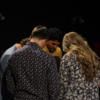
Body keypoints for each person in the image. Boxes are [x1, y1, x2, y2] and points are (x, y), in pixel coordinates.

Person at [2, 25, 60, 100]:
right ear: (44, 41)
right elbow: (54, 89)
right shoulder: (49, 59)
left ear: (30, 38)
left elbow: (9, 85)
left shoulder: (14, 56)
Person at [59, 31, 100, 100]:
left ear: (66, 44)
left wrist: (59, 98)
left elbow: (63, 84)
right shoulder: (94, 57)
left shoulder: (68, 57)